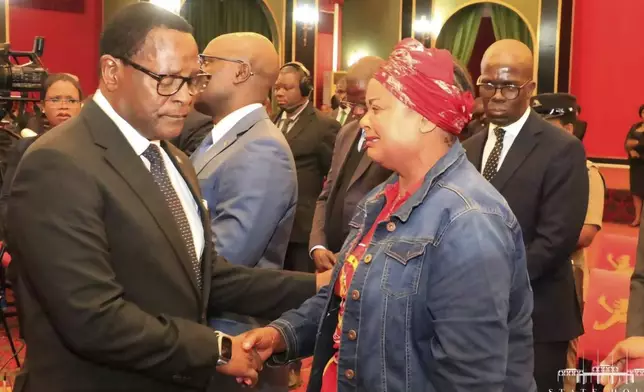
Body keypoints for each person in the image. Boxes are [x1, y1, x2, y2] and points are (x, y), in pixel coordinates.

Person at [6, 4, 326, 391]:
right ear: (111, 72)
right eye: (168, 79)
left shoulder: (170, 156)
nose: (185, 97)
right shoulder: (58, 162)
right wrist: (217, 349)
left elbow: (203, 273)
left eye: (194, 80)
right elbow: (92, 318)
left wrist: (317, 285)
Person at [241, 38, 537, 392]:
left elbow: (471, 377)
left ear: (426, 117)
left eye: (377, 108)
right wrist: (282, 335)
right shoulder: (382, 198)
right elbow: (347, 297)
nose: (363, 120)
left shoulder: (469, 220)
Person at [463, 39, 589, 392]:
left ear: (530, 89)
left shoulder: (562, 149)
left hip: (537, 315)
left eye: (509, 86)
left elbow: (556, 240)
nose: (497, 95)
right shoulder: (468, 148)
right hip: (470, 315)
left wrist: (491, 285)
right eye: (489, 84)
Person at [186, 32, 297, 391]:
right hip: (208, 333)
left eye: (206, 62)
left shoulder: (261, 149)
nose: (196, 71)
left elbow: (228, 257)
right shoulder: (217, 138)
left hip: (235, 341)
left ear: (240, 72)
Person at [532, 92, 605, 391]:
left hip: (566, 272)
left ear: (568, 129)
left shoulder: (587, 174)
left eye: (548, 124)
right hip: (532, 268)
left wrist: (546, 239)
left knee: (563, 353)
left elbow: (586, 232)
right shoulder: (533, 169)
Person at [309, 56, 392, 272]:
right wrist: (318, 244)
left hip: (368, 262)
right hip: (330, 257)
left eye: (363, 104)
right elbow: (327, 193)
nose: (355, 112)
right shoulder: (346, 132)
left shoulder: (393, 139)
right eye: (350, 103)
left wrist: (351, 253)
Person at [273, 62, 340, 274]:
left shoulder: (324, 125)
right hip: (272, 225)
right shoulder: (270, 121)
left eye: (287, 88)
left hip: (301, 228)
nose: (280, 93)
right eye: (277, 88)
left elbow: (333, 179)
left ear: (305, 89)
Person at [0, 73, 84, 237]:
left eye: (71, 100)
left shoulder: (97, 148)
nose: (63, 106)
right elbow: (7, 201)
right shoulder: (25, 148)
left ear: (81, 105)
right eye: (55, 99)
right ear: (42, 106)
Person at [625, 104, 644, 226]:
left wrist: (635, 144)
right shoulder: (635, 126)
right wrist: (630, 150)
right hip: (636, 164)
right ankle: (637, 218)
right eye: (643, 112)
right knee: (636, 191)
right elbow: (626, 142)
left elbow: (639, 143)